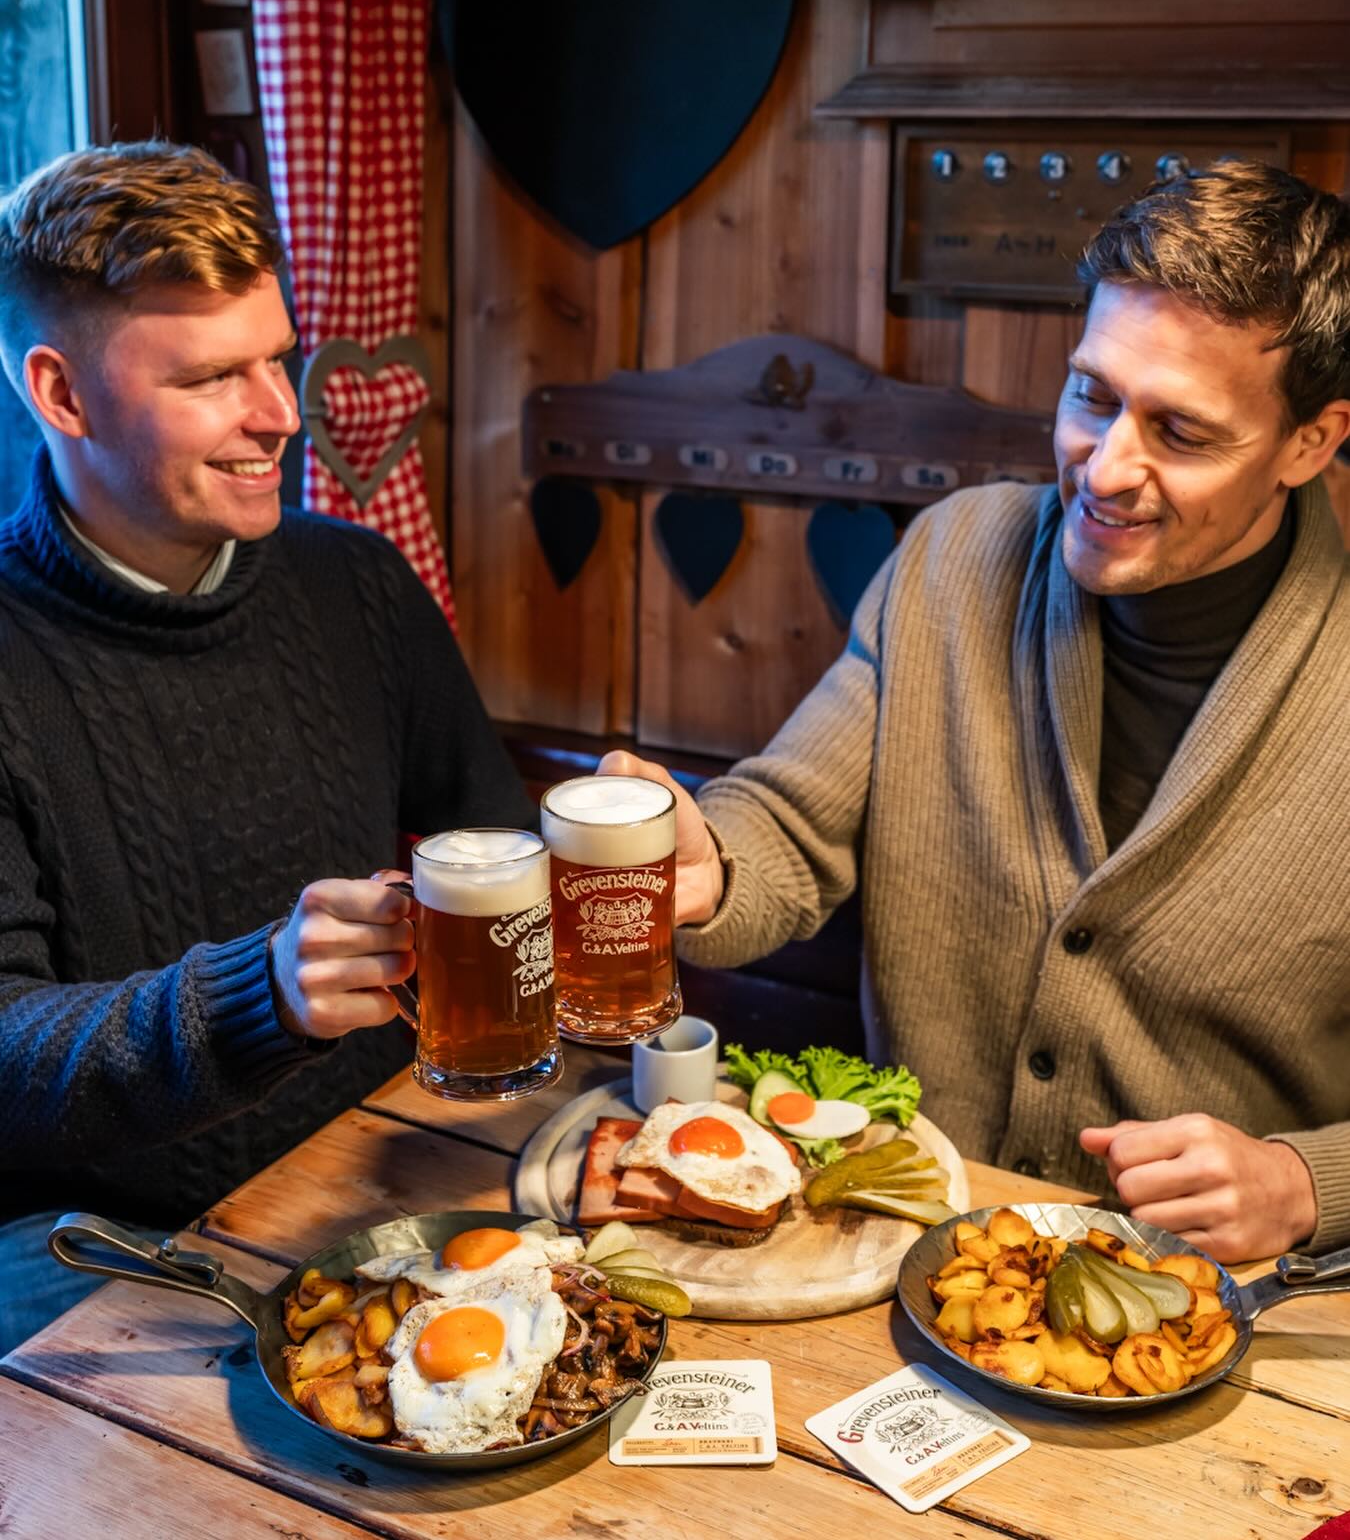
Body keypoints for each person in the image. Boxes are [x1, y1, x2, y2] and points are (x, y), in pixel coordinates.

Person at [602, 160, 1350, 1264]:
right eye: (1093, 395)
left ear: (1311, 442)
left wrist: (1305, 1180)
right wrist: (709, 855)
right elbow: (789, 824)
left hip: (1221, 1319)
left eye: (1182, 433)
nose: (1107, 465)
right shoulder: (956, 556)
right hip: (918, 1263)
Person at [0, 142, 534, 1348]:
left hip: (372, 1173)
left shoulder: (356, 581)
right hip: (87, 1235)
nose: (281, 417)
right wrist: (263, 993)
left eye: (279, 359)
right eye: (210, 379)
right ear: (63, 393)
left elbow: (494, 841)